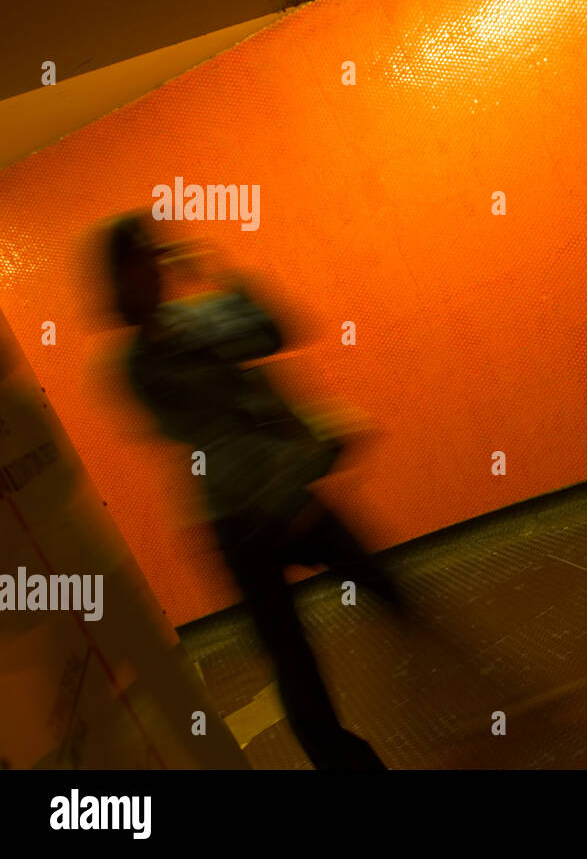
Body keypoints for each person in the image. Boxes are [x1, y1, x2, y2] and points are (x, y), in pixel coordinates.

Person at [105, 212, 404, 769]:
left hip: (291, 497)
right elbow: (203, 421)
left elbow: (275, 330)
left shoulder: (196, 317)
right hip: (240, 522)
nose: (150, 273)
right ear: (118, 282)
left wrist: (214, 275)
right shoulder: (134, 366)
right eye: (136, 265)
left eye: (152, 258)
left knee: (389, 588)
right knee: (292, 658)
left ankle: (464, 695)